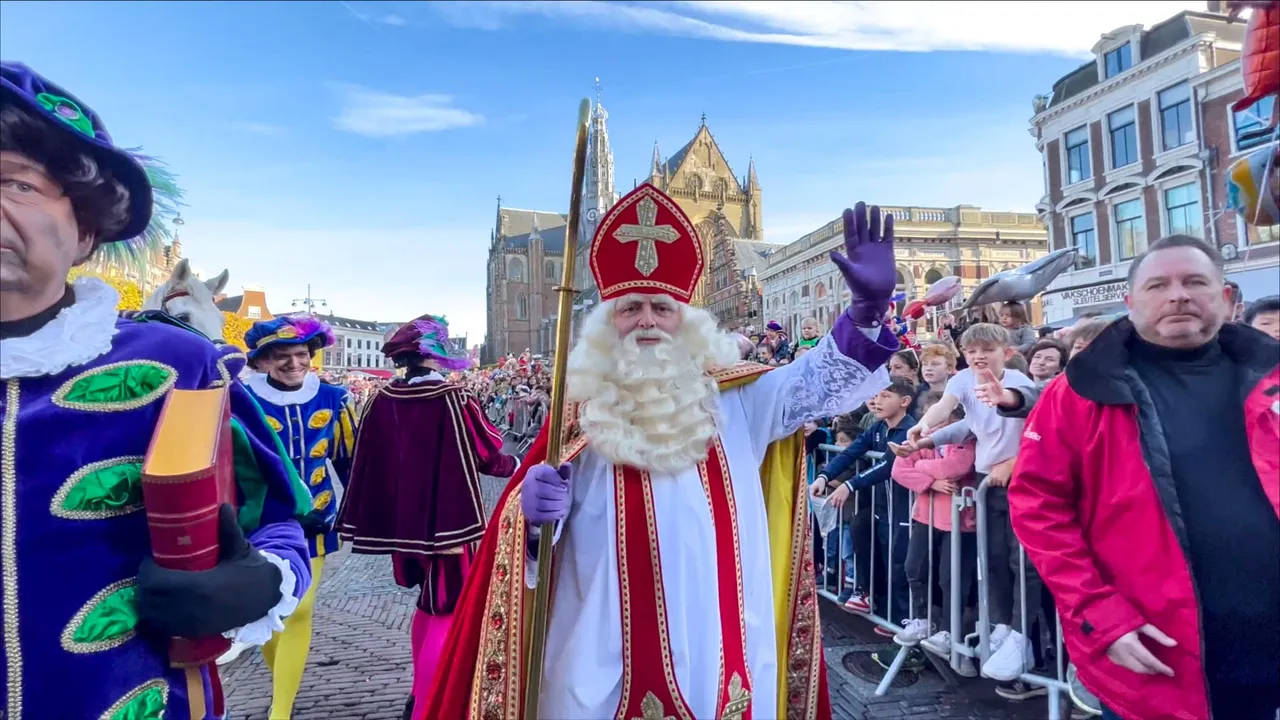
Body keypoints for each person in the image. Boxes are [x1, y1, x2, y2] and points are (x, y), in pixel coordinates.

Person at [422, 190, 899, 720]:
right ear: (607, 324)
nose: (647, 321)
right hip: (601, 664)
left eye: (662, 308)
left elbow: (815, 385)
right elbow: (530, 554)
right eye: (630, 308)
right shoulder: (577, 417)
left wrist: (866, 315)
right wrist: (527, 522)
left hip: (723, 649)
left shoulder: (739, 399)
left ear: (687, 321)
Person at [1, 61, 311, 719]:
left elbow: (280, 519)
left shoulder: (185, 366)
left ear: (84, 228)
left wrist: (257, 580)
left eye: (16, 182)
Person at [1010, 234, 1280, 720]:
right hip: (1157, 659)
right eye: (1159, 284)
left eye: (1194, 281)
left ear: (1225, 297)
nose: (1178, 294)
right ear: (1131, 302)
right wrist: (1098, 614)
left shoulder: (1271, 378)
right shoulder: (1080, 392)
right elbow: (1037, 506)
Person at [337, 313, 518, 719]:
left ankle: (418, 692)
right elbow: (488, 455)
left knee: (427, 604)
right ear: (436, 355)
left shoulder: (382, 399)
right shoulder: (453, 399)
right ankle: (428, 708)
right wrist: (521, 465)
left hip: (404, 526)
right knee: (448, 609)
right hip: (448, 524)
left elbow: (369, 458)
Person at [906, 323, 1038, 686]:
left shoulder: (1020, 384)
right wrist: (922, 428)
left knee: (1020, 559)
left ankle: (1021, 633)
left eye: (987, 350)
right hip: (985, 480)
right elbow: (950, 411)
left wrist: (1015, 461)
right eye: (972, 350)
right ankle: (1003, 624)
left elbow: (1035, 424)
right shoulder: (961, 380)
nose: (978, 356)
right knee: (993, 557)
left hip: (1020, 478)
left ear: (1006, 353)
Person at [242, 314, 357, 719]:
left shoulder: (334, 398)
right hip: (259, 524)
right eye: (281, 356)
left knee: (299, 607)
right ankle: (281, 686)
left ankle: (281, 710)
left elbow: (349, 461)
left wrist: (355, 513)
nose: (294, 363)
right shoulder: (242, 399)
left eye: (302, 354)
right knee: (268, 607)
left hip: (316, 522)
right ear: (260, 361)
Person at [811, 380, 917, 626]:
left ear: (904, 401)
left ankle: (902, 619)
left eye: (885, 395)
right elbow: (852, 452)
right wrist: (825, 476)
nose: (878, 401)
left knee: (899, 562)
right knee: (870, 543)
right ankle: (876, 603)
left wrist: (850, 485)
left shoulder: (909, 430)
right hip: (880, 504)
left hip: (902, 506)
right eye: (876, 395)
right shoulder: (878, 427)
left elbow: (889, 465)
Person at [888, 391, 977, 676]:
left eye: (940, 421)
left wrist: (922, 468)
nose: (933, 428)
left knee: (950, 578)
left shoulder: (966, 438)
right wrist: (932, 481)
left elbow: (957, 467)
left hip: (959, 521)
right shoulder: (918, 438)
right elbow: (899, 471)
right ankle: (923, 618)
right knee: (915, 568)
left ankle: (952, 631)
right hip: (925, 516)